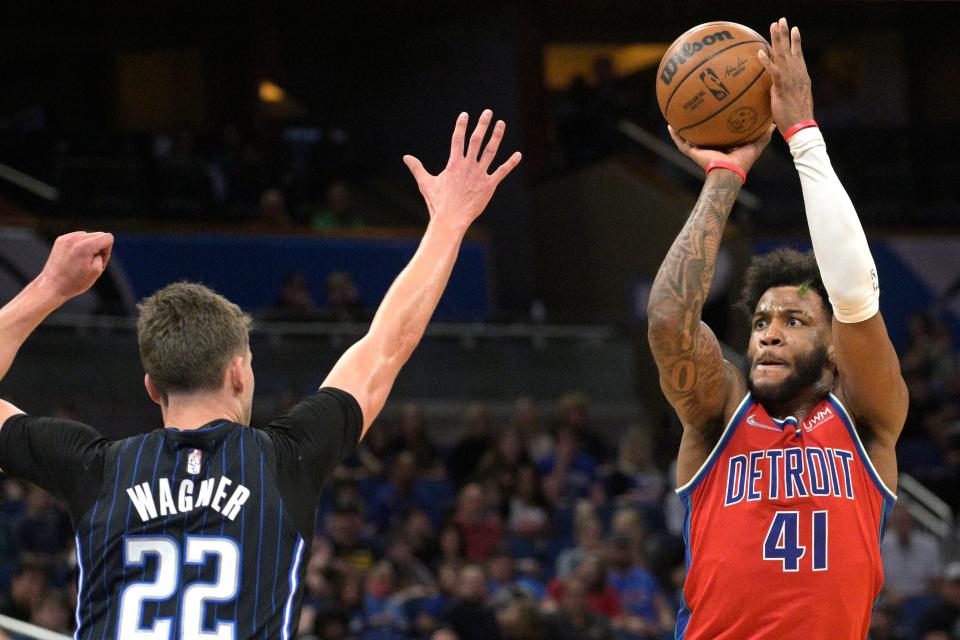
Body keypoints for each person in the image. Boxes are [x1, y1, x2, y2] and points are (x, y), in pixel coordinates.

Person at [0, 110, 521, 638]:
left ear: (152, 386)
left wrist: (49, 288)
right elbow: (387, 345)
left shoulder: (97, 469)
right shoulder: (285, 459)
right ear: (239, 373)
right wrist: (450, 222)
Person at [647, 19, 907, 639]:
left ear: (832, 348)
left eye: (794, 320)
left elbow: (853, 296)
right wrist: (723, 178)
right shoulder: (719, 414)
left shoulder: (865, 422)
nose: (768, 333)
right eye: (761, 320)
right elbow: (666, 320)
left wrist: (803, 137)